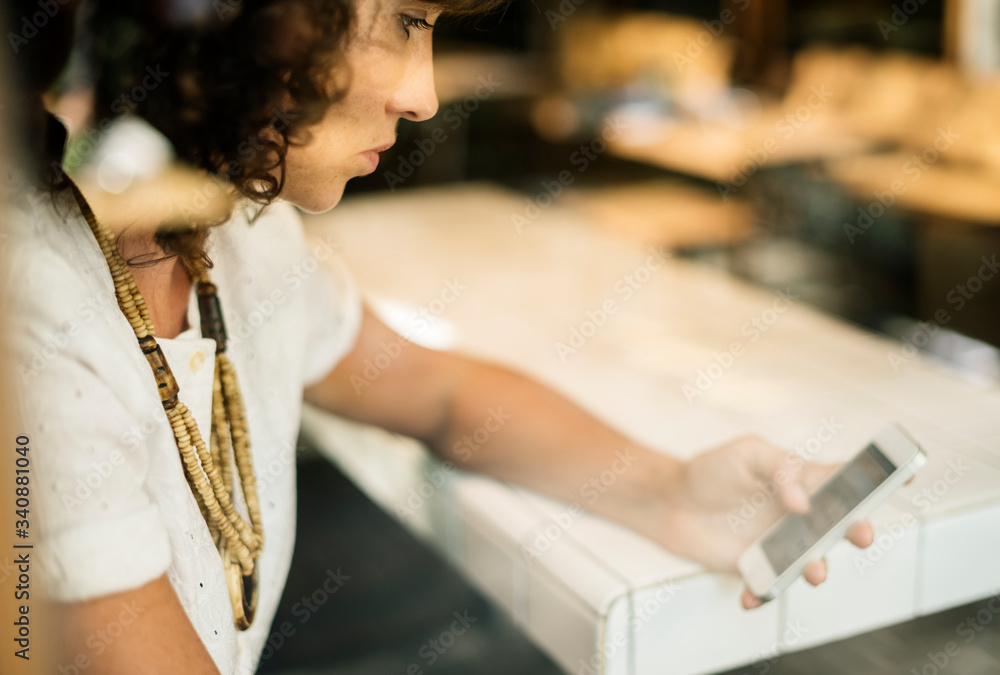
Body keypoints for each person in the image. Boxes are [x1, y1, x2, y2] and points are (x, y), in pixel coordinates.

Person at [5, 1, 873, 673]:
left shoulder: (244, 235)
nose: (421, 95)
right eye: (405, 21)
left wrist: (675, 492)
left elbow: (440, 393)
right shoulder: (35, 330)